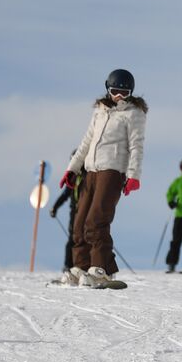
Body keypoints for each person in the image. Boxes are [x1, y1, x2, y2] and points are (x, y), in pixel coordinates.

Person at [59, 69, 147, 288]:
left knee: (97, 220)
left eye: (124, 93)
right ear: (108, 89)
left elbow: (137, 146)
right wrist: (72, 169)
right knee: (79, 222)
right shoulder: (100, 110)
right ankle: (81, 267)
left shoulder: (134, 113)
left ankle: (101, 270)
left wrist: (133, 175)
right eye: (115, 91)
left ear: (131, 93)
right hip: (91, 170)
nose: (119, 97)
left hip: (112, 171)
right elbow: (86, 141)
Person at [50, 149, 82, 274]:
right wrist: (55, 208)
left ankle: (83, 264)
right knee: (73, 238)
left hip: (85, 211)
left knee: (86, 236)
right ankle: (68, 266)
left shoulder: (86, 177)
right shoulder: (72, 179)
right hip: (75, 212)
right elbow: (64, 195)